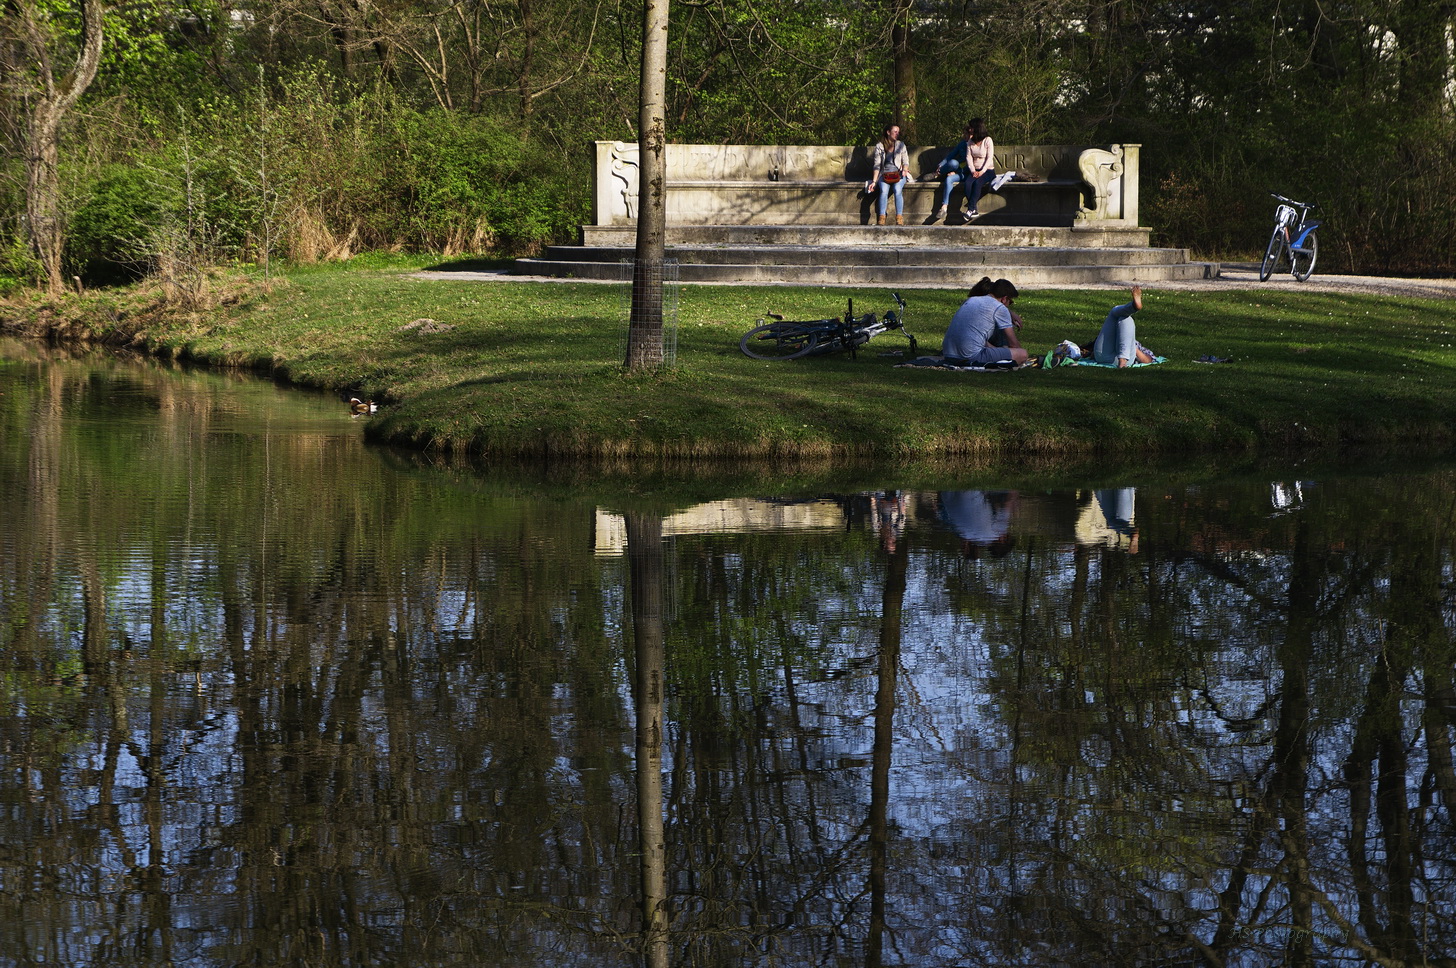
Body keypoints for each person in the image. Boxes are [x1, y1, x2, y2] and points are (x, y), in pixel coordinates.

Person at [941, 277, 1029, 365]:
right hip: (970, 357)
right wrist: (1020, 353)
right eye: (1011, 302)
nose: (1009, 306)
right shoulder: (1000, 308)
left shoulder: (970, 300)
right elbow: (1014, 345)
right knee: (1022, 354)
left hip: (949, 354)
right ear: (1004, 299)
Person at [1092, 286, 1156, 367]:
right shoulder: (1113, 330)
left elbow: (1148, 360)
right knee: (1124, 317)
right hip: (1106, 355)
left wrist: (1132, 347)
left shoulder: (1136, 344)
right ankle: (1133, 307)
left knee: (1124, 318)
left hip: (1122, 358)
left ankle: (1123, 359)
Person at [865, 123, 913, 226]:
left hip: (898, 174)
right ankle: (881, 218)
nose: (897, 134)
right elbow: (877, 165)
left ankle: (899, 218)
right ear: (888, 132)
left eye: (898, 132)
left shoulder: (901, 145)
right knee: (883, 190)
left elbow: (906, 161)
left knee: (897, 190)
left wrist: (904, 170)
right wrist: (874, 181)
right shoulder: (880, 146)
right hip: (885, 175)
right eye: (895, 132)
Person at [933, 123, 973, 222]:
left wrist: (956, 172)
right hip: (957, 169)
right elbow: (950, 155)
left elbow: (973, 165)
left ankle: (939, 174)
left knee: (953, 169)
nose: (965, 136)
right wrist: (940, 165)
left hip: (966, 173)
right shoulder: (962, 144)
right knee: (952, 168)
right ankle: (944, 207)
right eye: (964, 134)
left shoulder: (975, 146)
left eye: (967, 134)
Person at [961, 118, 996, 220]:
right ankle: (974, 209)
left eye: (971, 127)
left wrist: (982, 171)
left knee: (977, 183)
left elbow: (989, 158)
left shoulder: (987, 140)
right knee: (967, 184)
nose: (970, 130)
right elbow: (969, 157)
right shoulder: (970, 142)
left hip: (987, 170)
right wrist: (973, 170)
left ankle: (970, 210)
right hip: (974, 170)